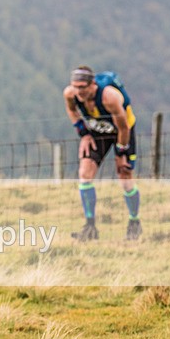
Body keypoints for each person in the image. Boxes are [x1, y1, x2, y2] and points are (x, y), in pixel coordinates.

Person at [63, 66, 142, 241]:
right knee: (84, 173)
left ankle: (134, 222)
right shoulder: (70, 94)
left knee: (125, 176)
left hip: (122, 131)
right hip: (97, 132)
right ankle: (90, 228)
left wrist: (121, 152)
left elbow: (123, 127)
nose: (79, 91)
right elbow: (72, 111)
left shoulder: (109, 97)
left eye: (82, 87)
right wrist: (84, 134)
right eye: (75, 86)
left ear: (93, 85)